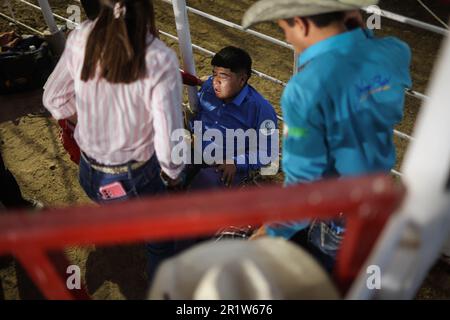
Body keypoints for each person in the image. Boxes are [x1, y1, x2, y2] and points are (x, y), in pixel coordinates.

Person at [243, 0, 412, 272]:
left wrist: (266, 235)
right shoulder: (394, 52)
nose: (287, 37)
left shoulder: (304, 90)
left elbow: (303, 187)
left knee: (323, 279)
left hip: (334, 219)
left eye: (284, 27)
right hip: (377, 203)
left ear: (301, 23)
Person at [43, 0, 188, 283]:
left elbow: (53, 98)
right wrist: (173, 178)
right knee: (162, 242)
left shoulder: (80, 37)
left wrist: (85, 123)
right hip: (136, 179)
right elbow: (169, 141)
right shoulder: (159, 58)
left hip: (89, 173)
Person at [186, 46, 278, 189]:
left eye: (223, 76)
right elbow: (198, 115)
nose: (216, 81)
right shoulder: (209, 88)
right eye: (214, 73)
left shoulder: (261, 109)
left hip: (227, 164)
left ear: (242, 80)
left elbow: (267, 152)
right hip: (195, 149)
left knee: (206, 181)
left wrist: (236, 162)